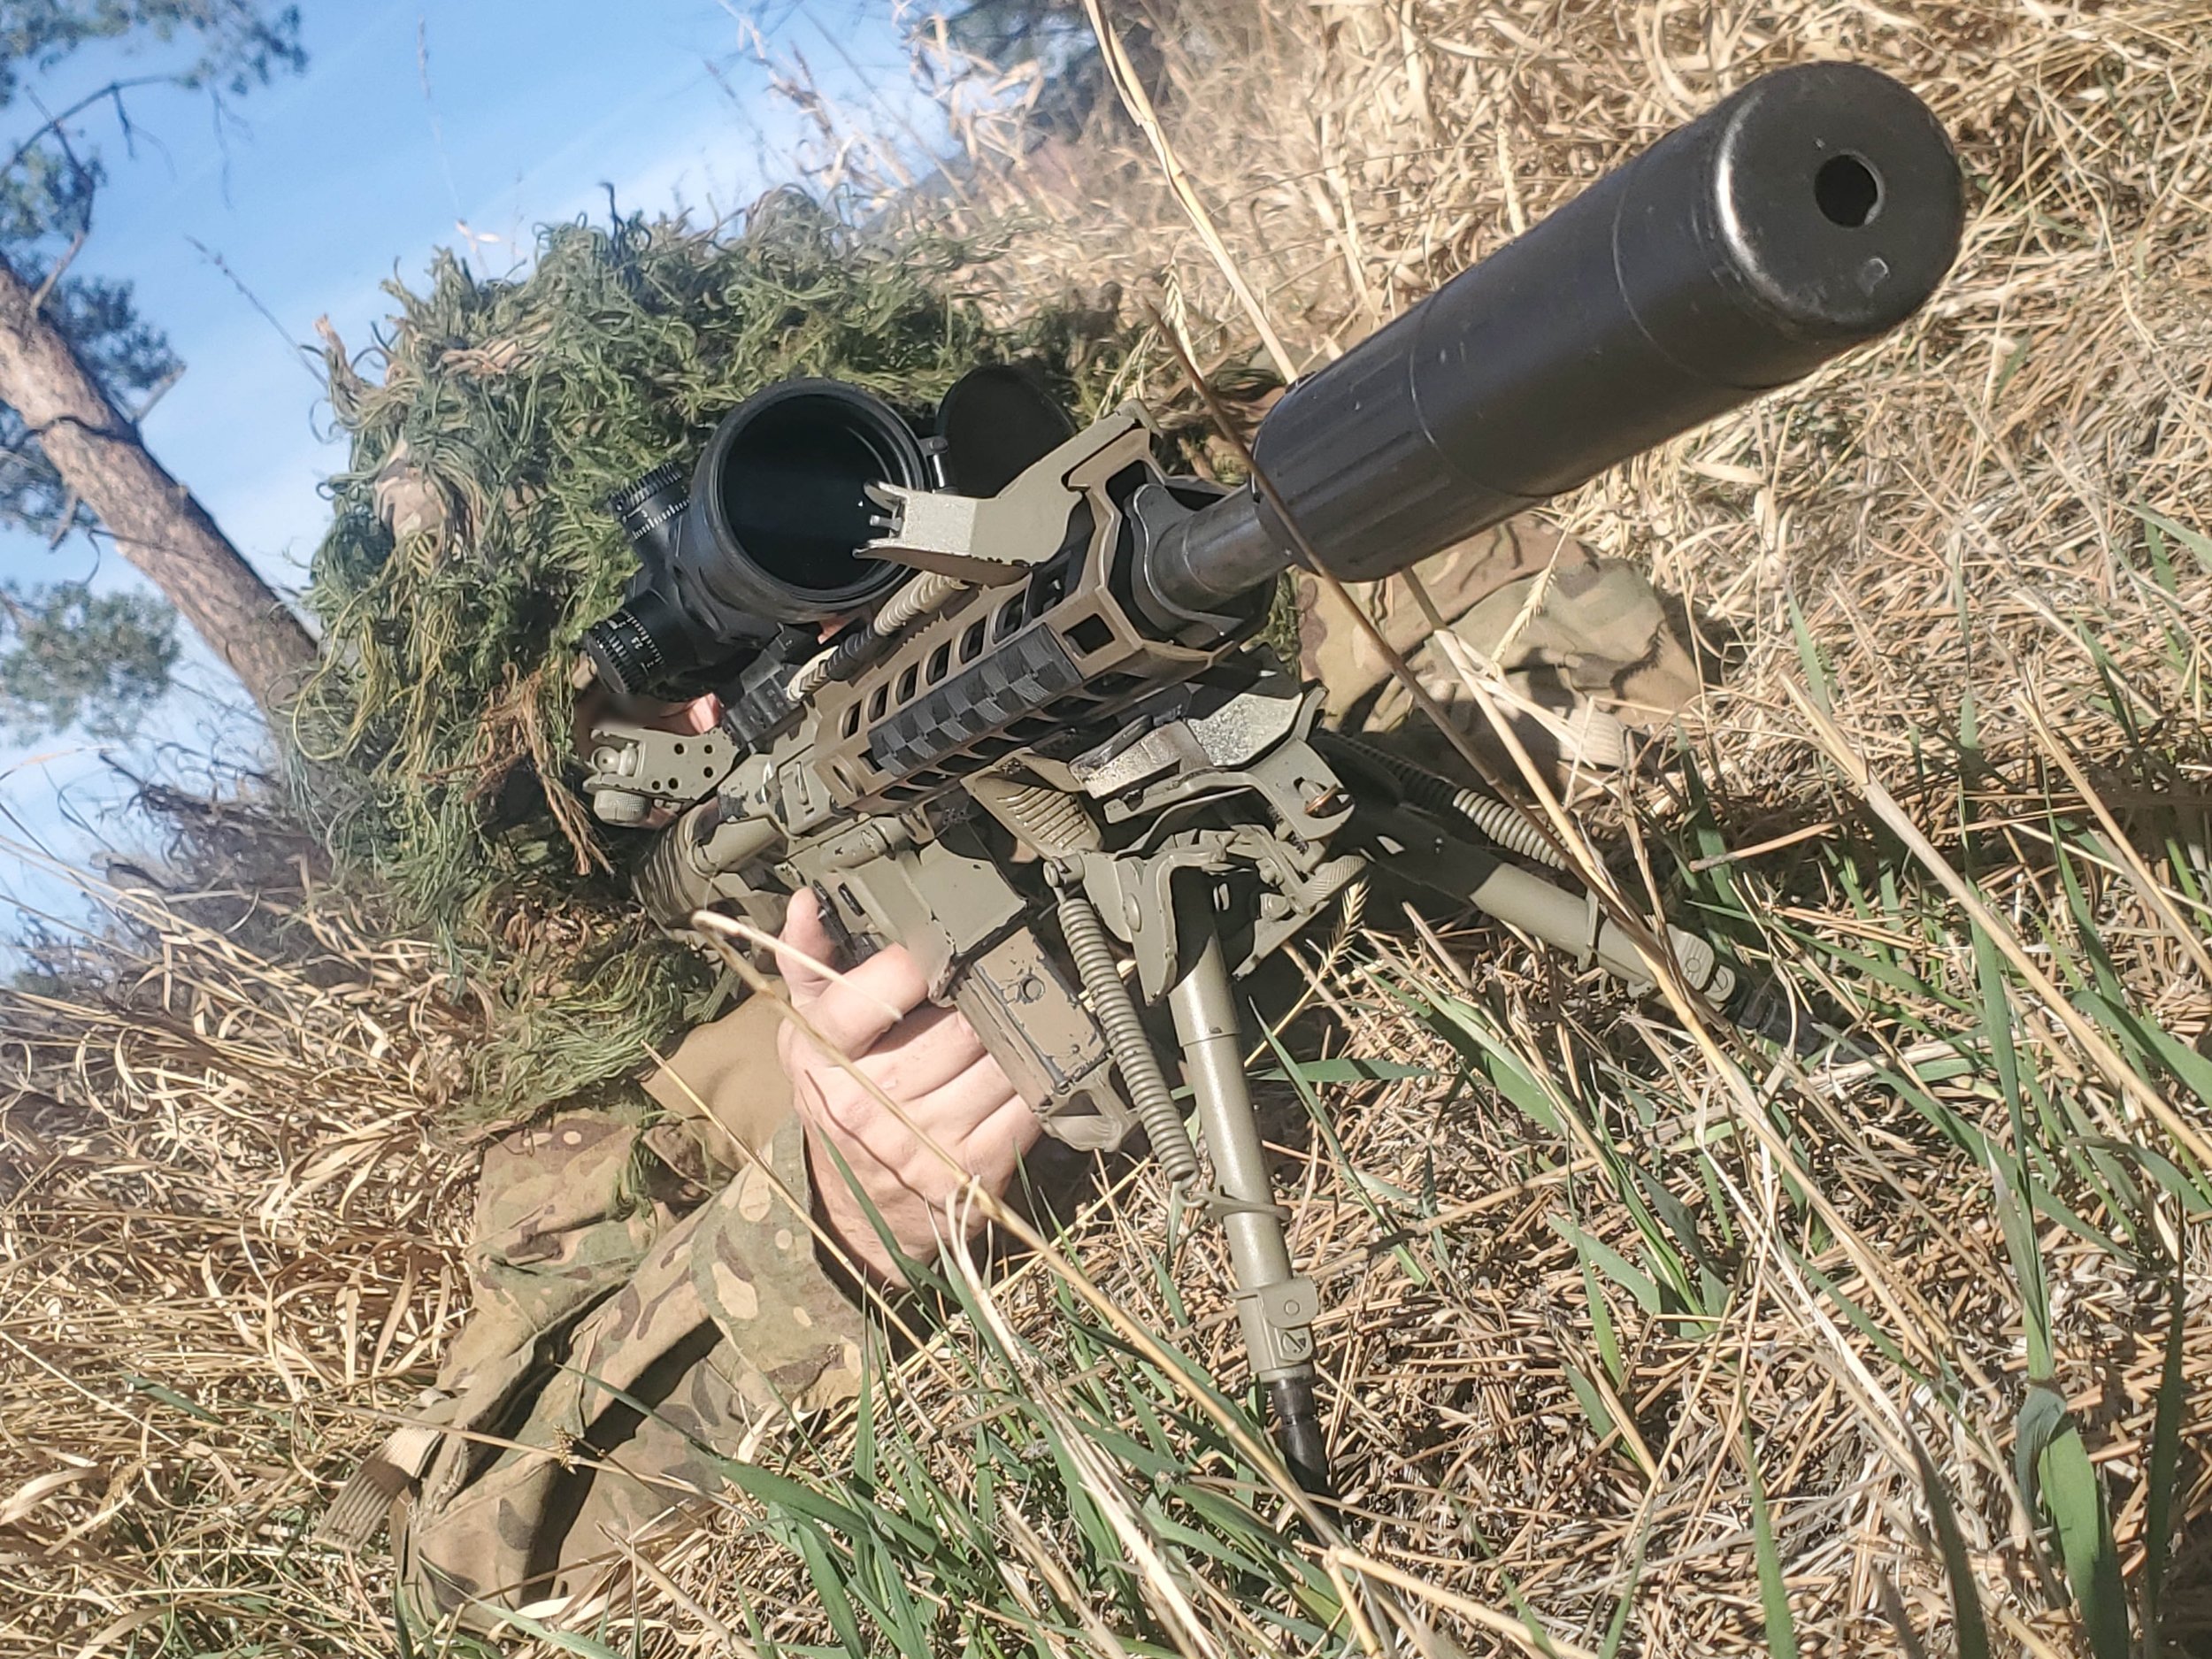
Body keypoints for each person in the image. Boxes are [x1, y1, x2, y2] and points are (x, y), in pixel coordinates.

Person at [320, 516, 1706, 1636]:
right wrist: (831, 1228)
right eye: (662, 681)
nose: (754, 679)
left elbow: (1601, 653)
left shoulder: (1120, 630)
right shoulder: (619, 1116)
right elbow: (451, 1563)